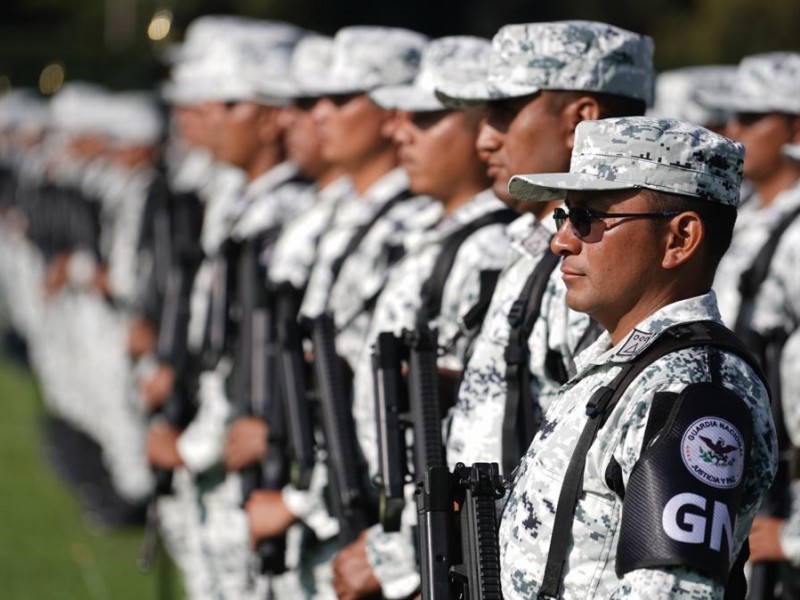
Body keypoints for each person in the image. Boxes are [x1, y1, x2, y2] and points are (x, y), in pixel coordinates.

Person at [498, 116, 777, 599]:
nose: (560, 240)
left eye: (588, 218)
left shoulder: (694, 390)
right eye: (565, 216)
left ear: (679, 239)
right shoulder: (628, 363)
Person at [330, 35, 515, 600]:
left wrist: (403, 553)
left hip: (442, 546)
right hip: (400, 523)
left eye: (428, 116)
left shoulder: (491, 249)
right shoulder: (441, 236)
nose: (398, 130)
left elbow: (485, 441)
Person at [434, 21, 654, 473]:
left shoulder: (597, 261)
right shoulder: (535, 243)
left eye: (505, 112)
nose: (485, 138)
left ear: (581, 118)